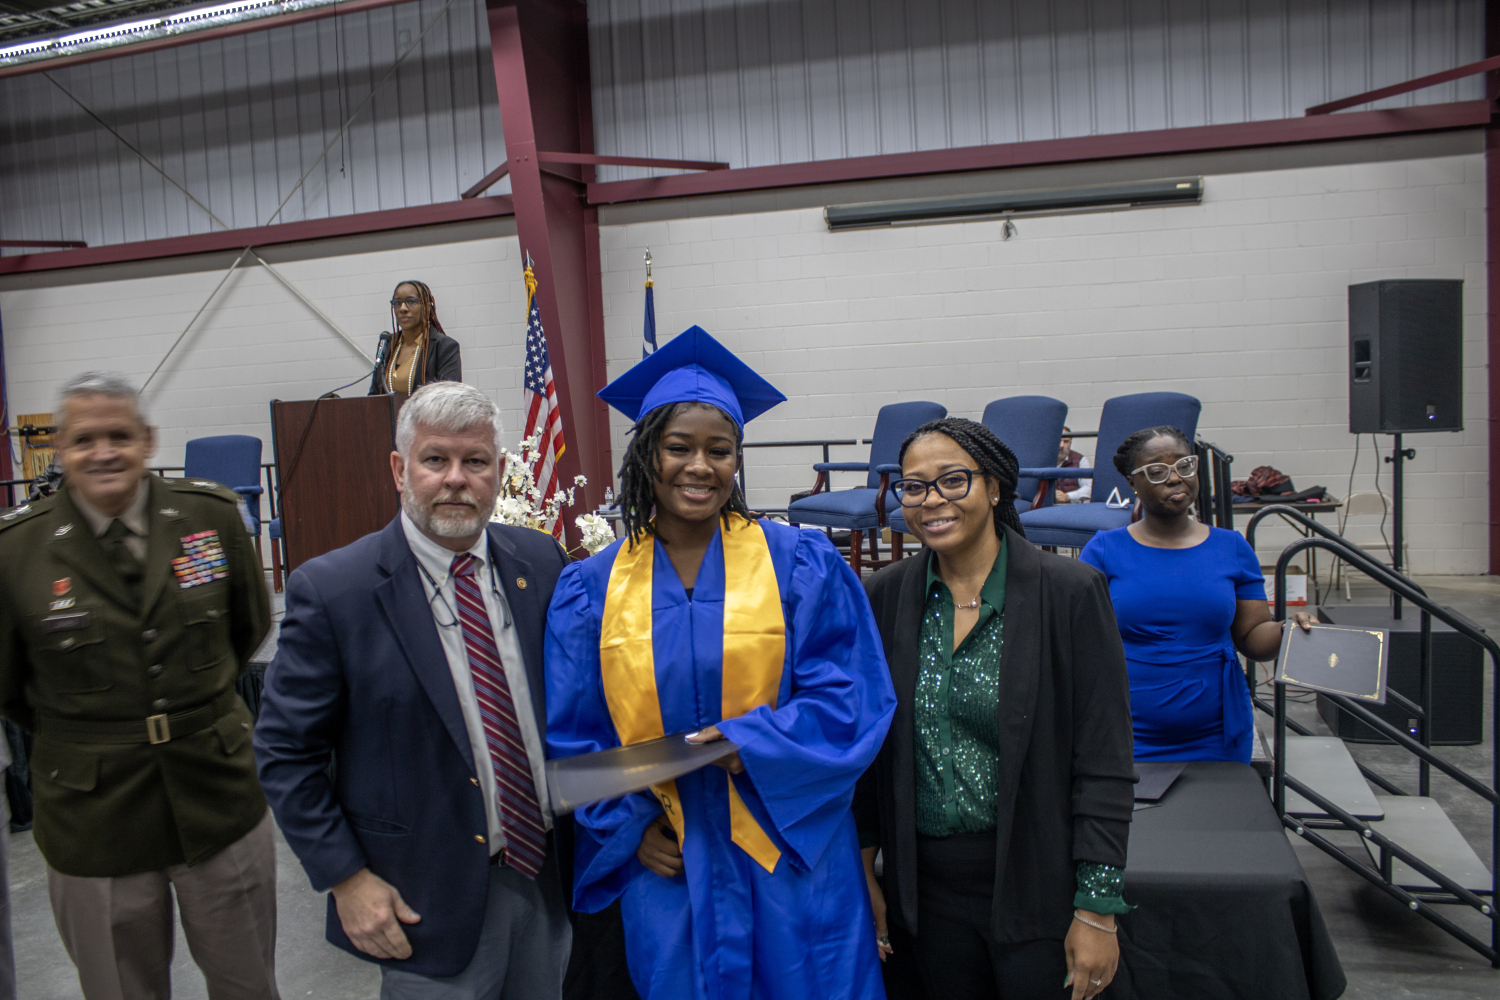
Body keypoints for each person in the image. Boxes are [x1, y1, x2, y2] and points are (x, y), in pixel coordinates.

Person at [545, 326, 896, 1000]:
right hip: (671, 857)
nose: (699, 466)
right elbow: (575, 734)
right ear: (648, 455)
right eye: (679, 447)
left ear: (738, 460)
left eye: (719, 450)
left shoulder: (801, 565)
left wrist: (754, 743)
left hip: (788, 846)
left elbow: (852, 697)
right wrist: (629, 829)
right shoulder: (590, 590)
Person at [255, 380, 573, 998]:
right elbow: (284, 754)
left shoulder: (540, 562)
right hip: (421, 900)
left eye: (475, 461)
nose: (456, 479)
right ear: (401, 470)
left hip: (545, 881)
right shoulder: (336, 592)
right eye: (435, 460)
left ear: (499, 471)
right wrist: (345, 878)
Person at [0, 371, 276, 1000]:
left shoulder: (208, 516)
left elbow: (248, 626)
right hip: (94, 819)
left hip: (216, 794)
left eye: (119, 436)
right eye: (84, 440)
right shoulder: (17, 550)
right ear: (60, 449)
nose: (103, 453)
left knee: (249, 984)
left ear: (147, 440)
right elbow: (10, 687)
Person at [859, 418, 1135, 1000]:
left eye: (952, 480)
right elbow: (867, 755)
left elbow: (1104, 760)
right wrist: (864, 874)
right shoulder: (883, 596)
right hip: (925, 897)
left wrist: (1097, 909)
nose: (931, 500)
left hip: (1040, 887)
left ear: (994, 487)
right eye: (914, 486)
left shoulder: (1070, 592)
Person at [1078, 426, 1313, 763]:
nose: (1175, 478)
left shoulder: (1231, 547)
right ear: (1132, 482)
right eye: (1157, 471)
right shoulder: (1103, 550)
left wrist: (1287, 630)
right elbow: (1079, 642)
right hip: (1125, 731)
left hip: (1217, 733)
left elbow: (1252, 639)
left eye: (1184, 465)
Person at [369, 279, 462, 401]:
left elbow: (449, 399)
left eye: (411, 301)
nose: (402, 308)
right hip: (387, 414)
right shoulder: (388, 344)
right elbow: (374, 396)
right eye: (397, 303)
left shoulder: (444, 346)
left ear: (427, 306)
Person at [1054, 427, 1091, 505]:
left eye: (1066, 441)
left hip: (1073, 508)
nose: (1061, 445)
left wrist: (1068, 496)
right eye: (1058, 440)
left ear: (1071, 443)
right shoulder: (1042, 461)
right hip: (1047, 508)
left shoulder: (1080, 460)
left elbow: (1089, 487)